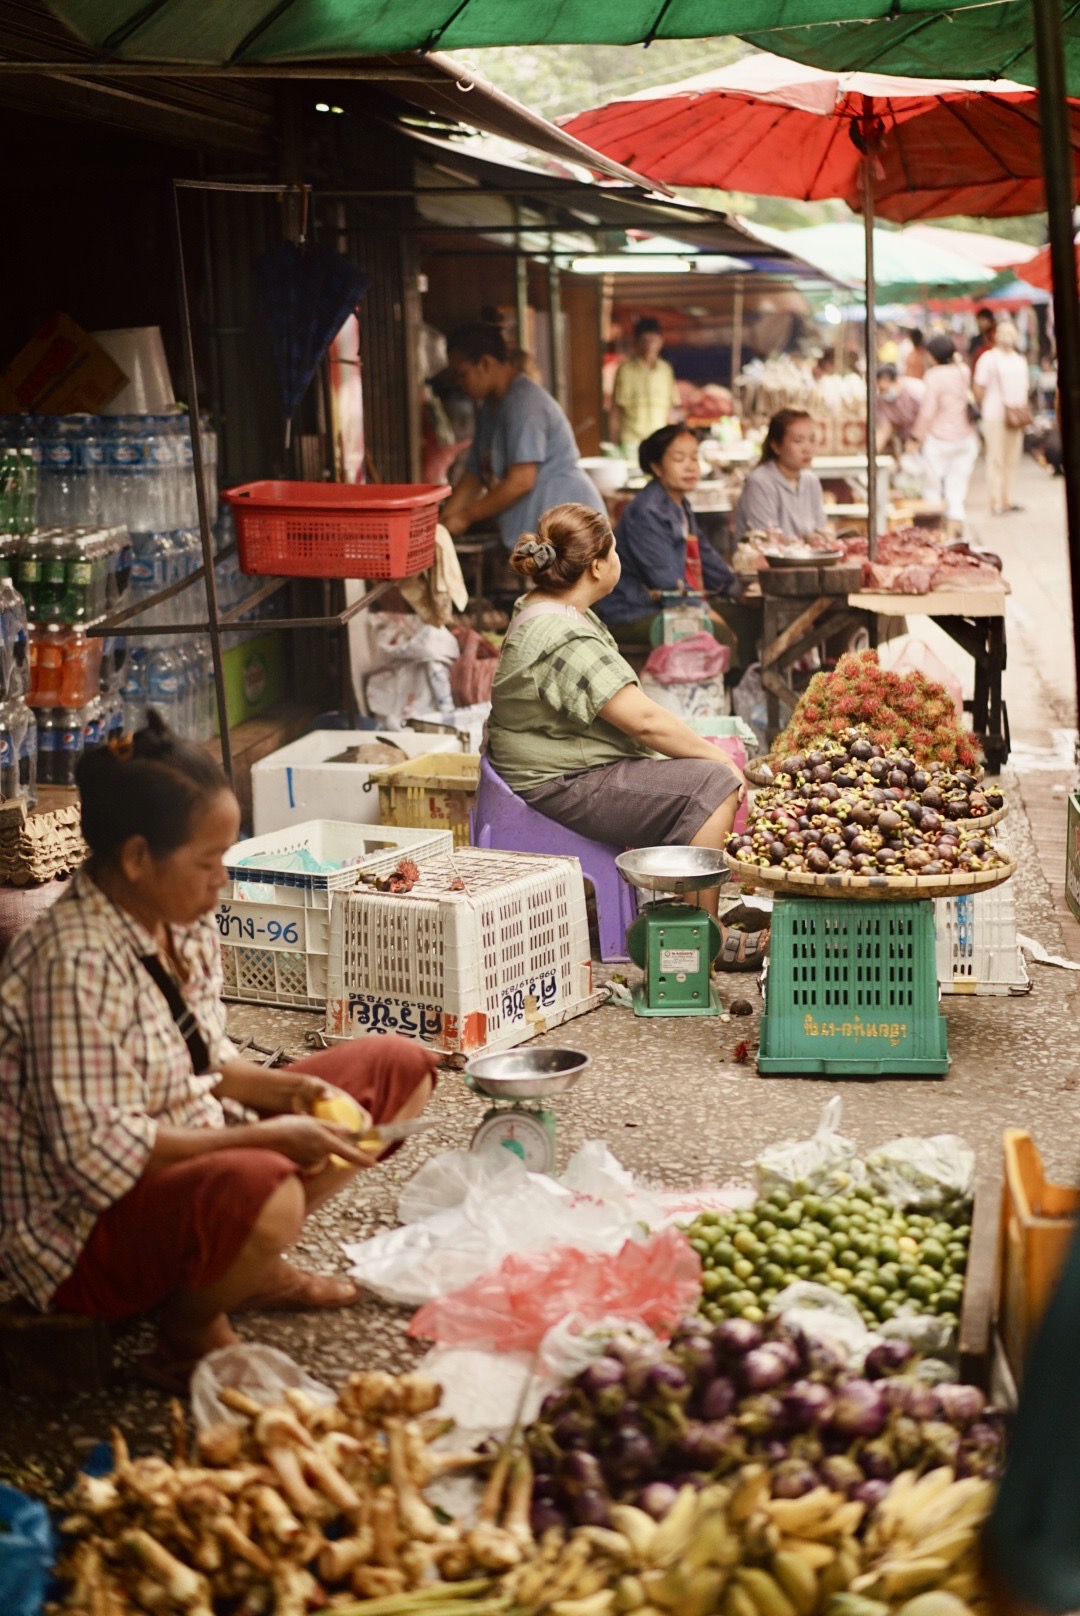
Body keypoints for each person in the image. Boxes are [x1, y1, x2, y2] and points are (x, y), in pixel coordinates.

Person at [0, 715, 437, 1387]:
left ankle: (244, 1270)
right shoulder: (72, 963)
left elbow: (203, 1061)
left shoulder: (182, 918)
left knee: (399, 1068)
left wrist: (286, 1093)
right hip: (82, 1233)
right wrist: (260, 1143)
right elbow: (96, 1157)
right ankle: (188, 1326)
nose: (221, 880)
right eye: (207, 863)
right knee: (269, 1193)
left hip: (177, 1146)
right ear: (139, 858)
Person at [486, 503, 765, 967]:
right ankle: (704, 940)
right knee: (714, 784)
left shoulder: (547, 607)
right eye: (614, 549)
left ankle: (681, 910)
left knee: (694, 769)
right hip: (557, 783)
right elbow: (644, 723)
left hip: (555, 767)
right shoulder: (561, 636)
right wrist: (721, 762)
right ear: (598, 565)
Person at [440, 322, 605, 551]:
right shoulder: (490, 408)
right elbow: (474, 474)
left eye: (462, 374)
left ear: (486, 363)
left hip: (569, 527)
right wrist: (443, 525)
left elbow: (521, 481)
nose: (459, 383)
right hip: (543, 531)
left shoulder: (524, 403)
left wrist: (466, 516)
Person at [597, 424, 740, 647]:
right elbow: (667, 584)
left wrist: (738, 589)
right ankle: (727, 682)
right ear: (657, 466)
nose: (691, 466)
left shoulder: (680, 504)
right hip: (631, 613)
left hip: (667, 605)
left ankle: (746, 681)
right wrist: (707, 613)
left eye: (694, 457)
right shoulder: (648, 512)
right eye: (679, 458)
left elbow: (706, 556)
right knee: (717, 633)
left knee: (742, 615)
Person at [907, 334, 979, 540]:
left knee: (932, 490)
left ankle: (936, 538)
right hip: (965, 438)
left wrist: (915, 437)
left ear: (933, 355)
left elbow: (928, 411)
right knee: (956, 492)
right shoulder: (962, 370)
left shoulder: (934, 375)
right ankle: (955, 537)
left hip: (939, 440)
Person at [733, 408, 828, 542]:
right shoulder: (760, 482)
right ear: (776, 446)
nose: (808, 448)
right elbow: (766, 540)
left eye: (812, 440)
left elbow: (820, 528)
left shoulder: (811, 480)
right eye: (798, 441)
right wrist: (807, 540)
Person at [973, 318, 1031, 515]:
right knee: (995, 458)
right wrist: (986, 406)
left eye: (1010, 332)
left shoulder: (1019, 360)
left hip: (1016, 415)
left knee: (1011, 459)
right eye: (1003, 332)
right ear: (996, 336)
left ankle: (1007, 498)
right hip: (994, 415)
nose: (1007, 336)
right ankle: (995, 500)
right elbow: (978, 388)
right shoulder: (989, 358)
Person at [610, 317, 680, 463]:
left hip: (658, 444)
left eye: (653, 340)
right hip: (631, 445)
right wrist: (614, 446)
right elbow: (616, 411)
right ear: (636, 343)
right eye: (644, 340)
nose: (649, 346)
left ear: (661, 341)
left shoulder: (666, 370)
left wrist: (672, 442)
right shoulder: (625, 370)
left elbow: (671, 411)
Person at [876, 364, 925, 454]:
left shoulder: (916, 390)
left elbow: (927, 416)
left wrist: (916, 439)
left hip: (927, 437)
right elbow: (885, 428)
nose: (883, 392)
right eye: (881, 390)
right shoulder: (881, 400)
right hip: (907, 439)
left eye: (884, 389)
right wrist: (873, 452)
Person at [969, 306, 997, 371]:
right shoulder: (975, 340)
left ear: (990, 321)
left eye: (983, 319)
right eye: (978, 320)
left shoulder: (995, 339)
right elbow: (971, 358)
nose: (979, 323)